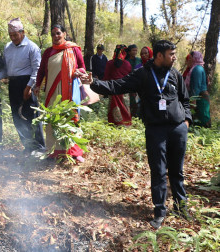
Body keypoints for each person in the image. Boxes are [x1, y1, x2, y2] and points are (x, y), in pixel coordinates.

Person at [82, 40, 192, 229]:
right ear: (159, 55)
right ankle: (159, 212)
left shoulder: (174, 74)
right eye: (171, 54)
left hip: (177, 129)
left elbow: (185, 99)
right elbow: (118, 85)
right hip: (156, 130)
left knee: (177, 171)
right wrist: (94, 83)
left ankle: (181, 209)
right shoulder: (143, 74)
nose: (174, 57)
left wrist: (186, 121)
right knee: (158, 172)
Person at [0, 18, 45, 153]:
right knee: (16, 116)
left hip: (27, 83)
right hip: (13, 83)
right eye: (11, 35)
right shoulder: (8, 47)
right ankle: (27, 146)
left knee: (31, 115)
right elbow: (5, 68)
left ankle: (39, 147)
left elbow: (37, 69)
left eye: (15, 35)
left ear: (22, 32)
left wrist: (29, 87)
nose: (13, 38)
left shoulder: (32, 47)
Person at [35, 24, 86, 162]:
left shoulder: (73, 49)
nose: (55, 36)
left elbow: (82, 67)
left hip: (69, 91)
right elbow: (41, 71)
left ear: (64, 33)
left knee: (70, 117)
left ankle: (74, 152)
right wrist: (38, 85)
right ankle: (53, 151)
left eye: (58, 33)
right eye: (53, 34)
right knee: (53, 118)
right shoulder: (48, 52)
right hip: (52, 91)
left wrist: (78, 72)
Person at [103, 44, 132, 126]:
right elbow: (129, 77)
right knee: (125, 107)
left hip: (113, 89)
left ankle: (114, 124)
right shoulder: (127, 64)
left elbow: (106, 77)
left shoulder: (109, 63)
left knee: (114, 107)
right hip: (124, 89)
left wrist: (104, 90)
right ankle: (126, 123)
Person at [185, 51, 211, 128]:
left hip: (200, 98)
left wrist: (193, 101)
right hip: (198, 97)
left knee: (202, 119)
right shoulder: (195, 68)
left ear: (194, 58)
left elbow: (196, 86)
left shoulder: (197, 69)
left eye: (190, 58)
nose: (189, 59)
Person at [131, 46, 154, 117]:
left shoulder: (155, 66)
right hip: (140, 93)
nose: (144, 55)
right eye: (142, 54)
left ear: (150, 53)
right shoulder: (138, 67)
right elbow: (134, 80)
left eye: (145, 53)